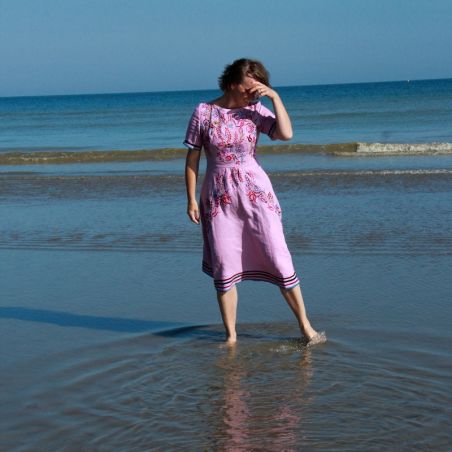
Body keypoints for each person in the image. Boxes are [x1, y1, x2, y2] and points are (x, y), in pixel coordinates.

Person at [184, 58, 325, 346]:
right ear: (232, 83)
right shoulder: (204, 112)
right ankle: (231, 337)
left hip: (255, 193)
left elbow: (285, 134)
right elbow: (192, 158)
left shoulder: (255, 111)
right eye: (249, 89)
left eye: (258, 90)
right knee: (225, 264)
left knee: (278, 255)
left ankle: (306, 327)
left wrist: (275, 97)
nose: (253, 94)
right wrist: (190, 200)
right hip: (219, 196)